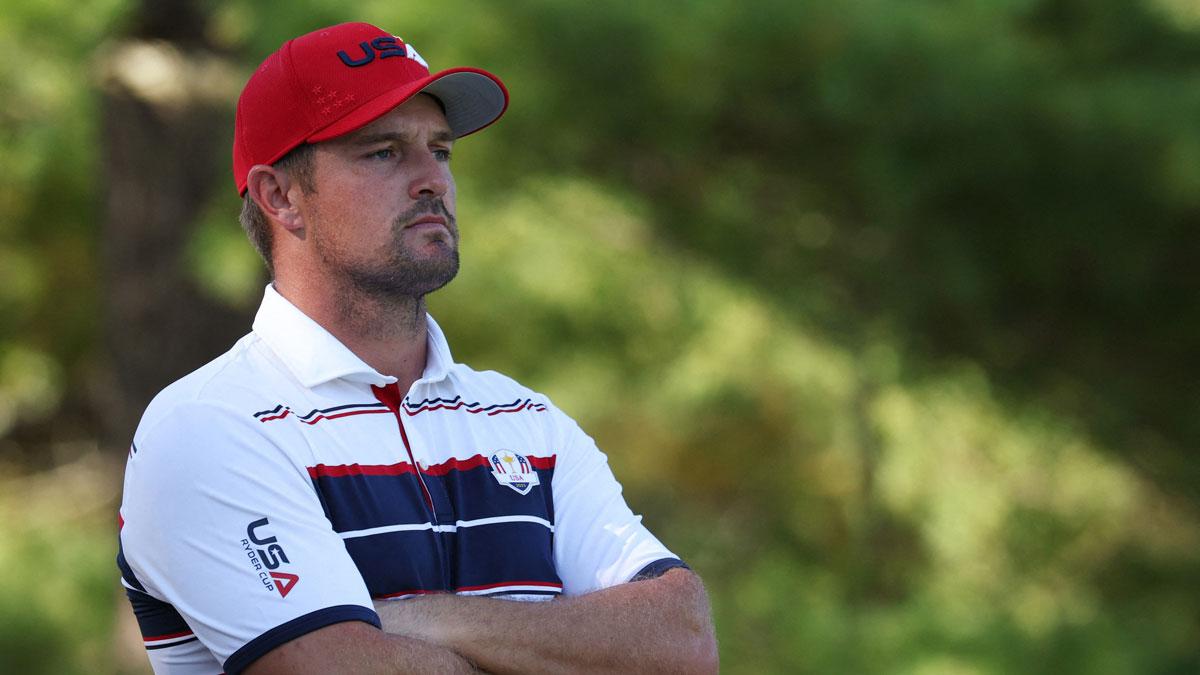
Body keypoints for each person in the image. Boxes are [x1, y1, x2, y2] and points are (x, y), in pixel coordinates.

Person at [116, 21, 718, 675]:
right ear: (281, 196)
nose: (433, 178)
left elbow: (681, 642)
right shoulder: (211, 425)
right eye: (384, 152)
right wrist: (567, 647)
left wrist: (430, 618)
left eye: (441, 150)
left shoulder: (527, 420)